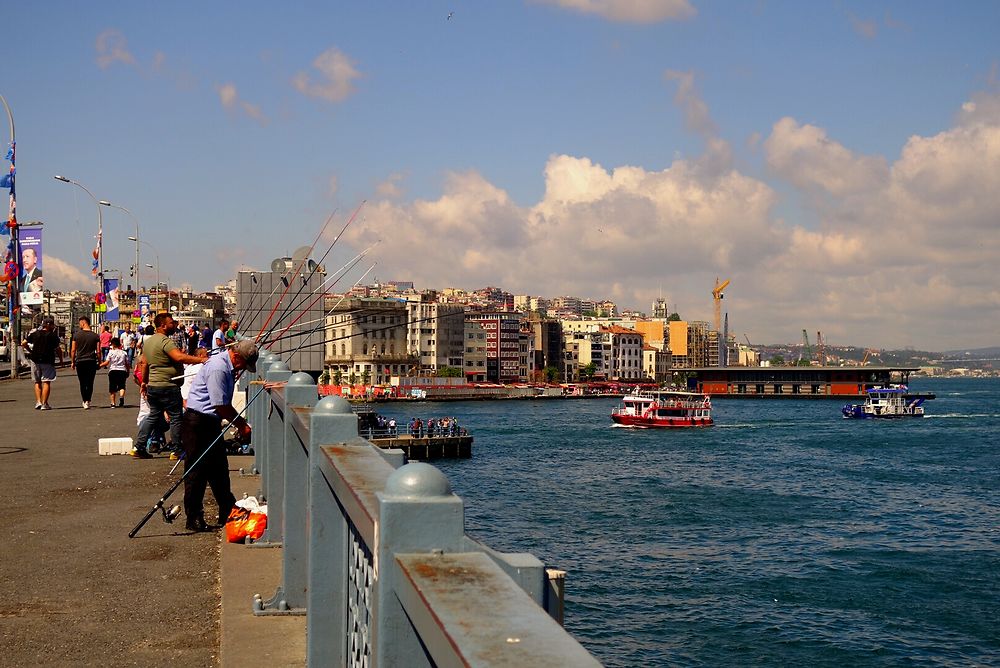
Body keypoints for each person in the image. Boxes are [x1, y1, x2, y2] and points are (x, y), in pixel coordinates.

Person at [180, 339, 257, 532]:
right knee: (196, 472)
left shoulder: (226, 366)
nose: (243, 369)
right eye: (244, 364)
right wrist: (242, 426)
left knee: (219, 469)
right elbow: (220, 405)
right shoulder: (219, 369)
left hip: (209, 422)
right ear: (237, 355)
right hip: (198, 422)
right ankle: (194, 517)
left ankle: (228, 510)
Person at [132, 313, 208, 459]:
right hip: (168, 385)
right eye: (171, 323)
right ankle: (177, 449)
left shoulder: (148, 342)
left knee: (153, 416)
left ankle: (139, 447)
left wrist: (144, 382)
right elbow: (179, 357)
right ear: (163, 325)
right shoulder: (166, 342)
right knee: (175, 417)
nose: (174, 324)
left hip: (153, 386)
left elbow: (145, 364)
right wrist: (201, 360)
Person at [22, 317, 63, 410]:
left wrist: (30, 351)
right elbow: (58, 349)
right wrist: (61, 361)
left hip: (35, 359)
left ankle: (38, 402)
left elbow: (24, 343)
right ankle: (44, 404)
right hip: (48, 360)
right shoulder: (53, 336)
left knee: (37, 382)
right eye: (52, 325)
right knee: (46, 381)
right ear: (50, 325)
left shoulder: (35, 334)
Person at [70, 317, 101, 409]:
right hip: (91, 361)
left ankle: (84, 400)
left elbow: (73, 350)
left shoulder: (76, 335)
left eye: (80, 323)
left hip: (80, 361)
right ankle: (88, 400)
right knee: (90, 382)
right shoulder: (95, 336)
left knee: (82, 382)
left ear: (83, 323)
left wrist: (73, 361)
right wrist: (99, 361)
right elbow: (98, 351)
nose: (80, 325)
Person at [99, 337, 130, 408]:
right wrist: (127, 371)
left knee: (112, 388)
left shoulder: (111, 352)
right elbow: (127, 364)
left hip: (113, 370)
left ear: (113, 344)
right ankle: (121, 397)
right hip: (122, 370)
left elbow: (107, 362)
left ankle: (113, 403)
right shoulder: (124, 353)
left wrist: (99, 366)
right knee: (122, 386)